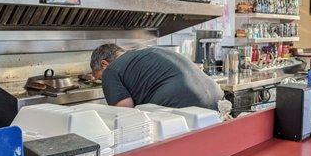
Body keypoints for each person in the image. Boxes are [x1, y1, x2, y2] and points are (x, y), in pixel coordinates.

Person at [90, 44, 224, 109]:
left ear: (104, 64)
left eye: (100, 78)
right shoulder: (146, 53)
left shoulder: (110, 71)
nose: (104, 82)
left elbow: (125, 111)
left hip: (184, 101)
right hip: (216, 96)